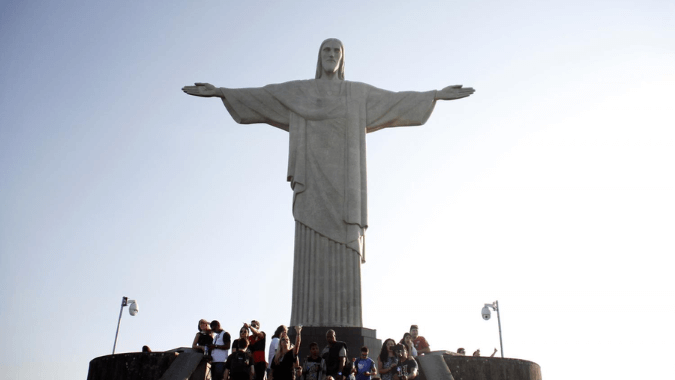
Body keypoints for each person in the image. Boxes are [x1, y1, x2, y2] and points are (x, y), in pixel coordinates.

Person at [182, 39, 475, 328]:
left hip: (346, 188)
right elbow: (264, 96)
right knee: (309, 241)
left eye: (337, 51)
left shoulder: (357, 94)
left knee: (346, 241)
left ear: (343, 59)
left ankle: (345, 321)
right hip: (310, 183)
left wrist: (434, 95)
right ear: (318, 56)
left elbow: (395, 100)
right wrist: (221, 92)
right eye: (326, 50)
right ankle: (305, 321)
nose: (331, 55)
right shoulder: (300, 92)